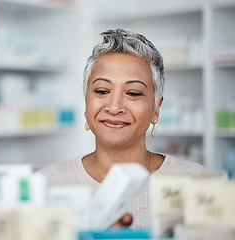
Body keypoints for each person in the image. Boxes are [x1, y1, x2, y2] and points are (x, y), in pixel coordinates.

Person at [39, 29, 207, 229]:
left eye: (133, 93)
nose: (114, 107)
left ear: (156, 109)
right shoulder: (45, 184)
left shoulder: (196, 182)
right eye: (102, 91)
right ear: (86, 103)